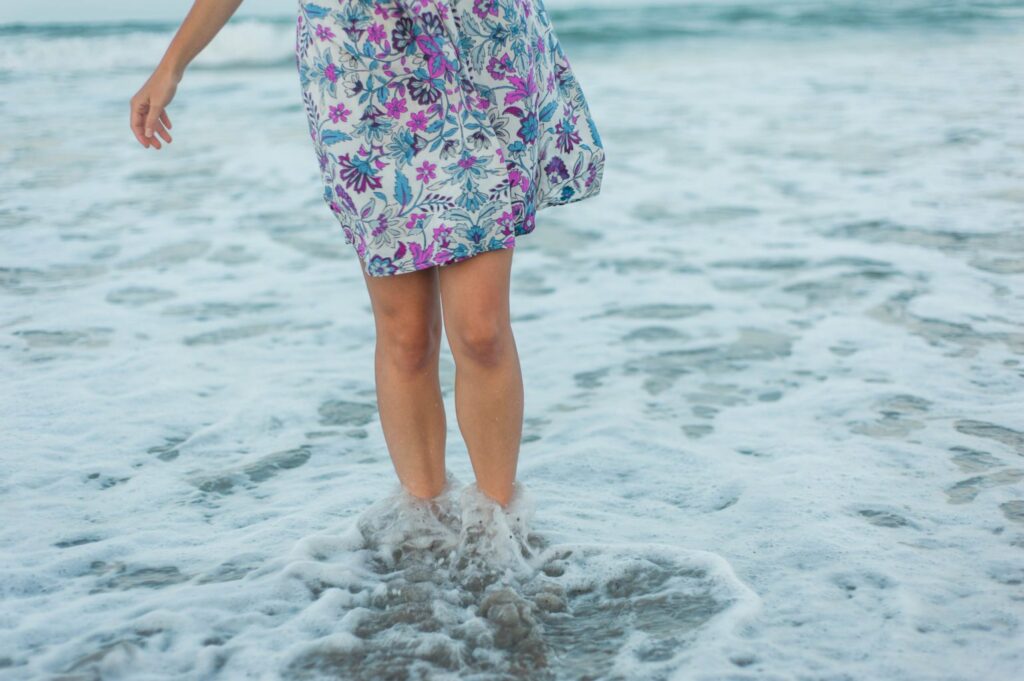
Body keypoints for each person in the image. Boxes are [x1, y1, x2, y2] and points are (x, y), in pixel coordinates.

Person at [130, 0, 606, 509]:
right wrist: (172, 66)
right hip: (361, 74)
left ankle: (500, 535)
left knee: (481, 331)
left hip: (474, 52)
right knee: (406, 335)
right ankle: (423, 528)